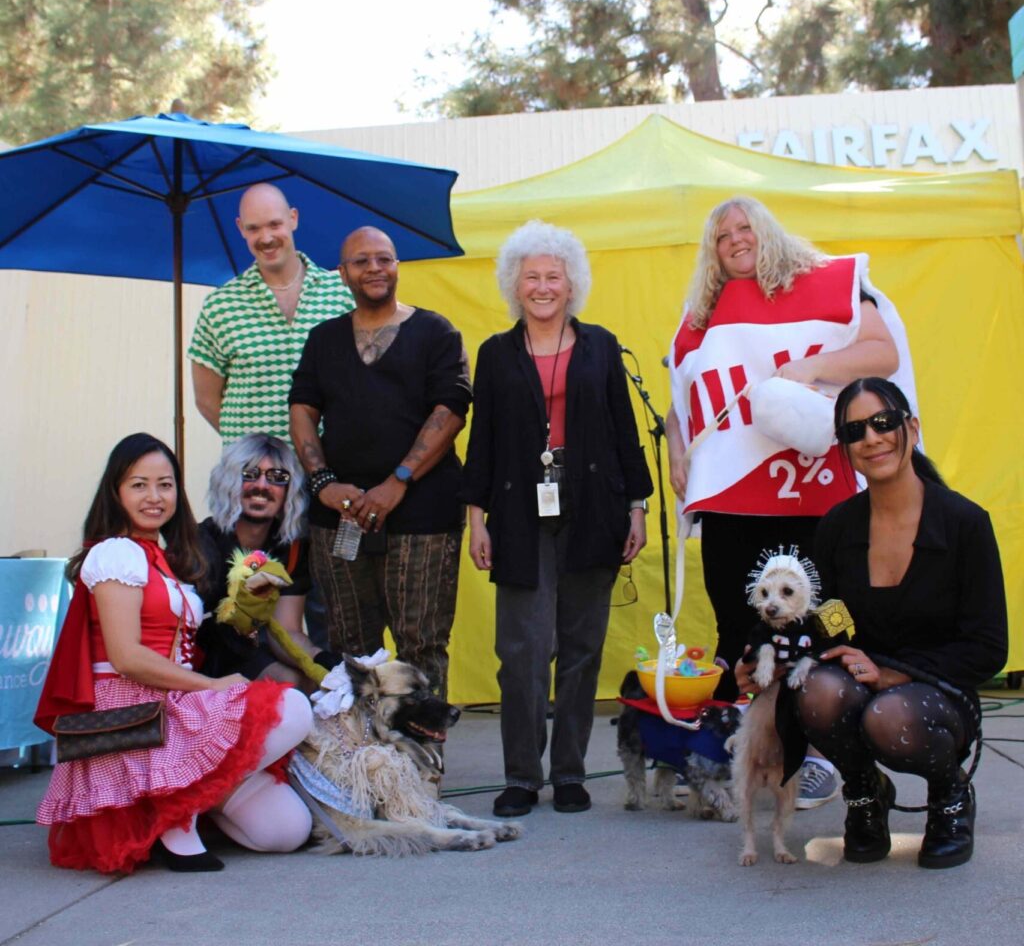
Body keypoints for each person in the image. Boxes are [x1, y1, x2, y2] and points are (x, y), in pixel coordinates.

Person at [666, 195, 901, 807]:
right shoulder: (702, 312)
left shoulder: (827, 283)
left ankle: (823, 750)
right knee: (737, 627)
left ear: (767, 232)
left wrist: (810, 366)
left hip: (815, 495)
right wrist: (676, 449)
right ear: (712, 250)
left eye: (746, 228)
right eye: (723, 235)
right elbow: (683, 395)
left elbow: (881, 353)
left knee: (823, 624)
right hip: (733, 501)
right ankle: (750, 752)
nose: (737, 241)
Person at [739, 378, 1007, 868]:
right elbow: (831, 622)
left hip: (938, 691)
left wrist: (894, 673)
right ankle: (864, 794)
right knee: (814, 688)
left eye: (883, 423)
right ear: (845, 449)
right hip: (861, 677)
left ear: (912, 428)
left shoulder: (964, 523)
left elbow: (988, 647)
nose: (872, 438)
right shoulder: (838, 527)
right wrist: (766, 657)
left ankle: (949, 797)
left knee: (891, 715)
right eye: (854, 430)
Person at [34, 433, 313, 874]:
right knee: (292, 705)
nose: (154, 497)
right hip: (138, 709)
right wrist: (212, 686)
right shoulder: (116, 554)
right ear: (115, 492)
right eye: (139, 485)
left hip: (174, 700)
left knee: (286, 830)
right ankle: (177, 812)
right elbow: (126, 657)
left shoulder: (164, 557)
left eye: (165, 484)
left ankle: (197, 800)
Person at [462, 220, 653, 818]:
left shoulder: (601, 345)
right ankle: (522, 775)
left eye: (554, 276)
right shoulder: (495, 354)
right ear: (514, 288)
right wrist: (476, 518)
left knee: (580, 648)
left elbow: (625, 432)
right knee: (521, 651)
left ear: (572, 285)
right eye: (531, 277)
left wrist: (638, 508)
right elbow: (483, 442)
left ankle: (569, 771)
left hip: (594, 508)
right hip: (520, 513)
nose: (543, 287)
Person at [289, 225, 471, 696]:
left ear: (396, 266)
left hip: (423, 518)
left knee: (422, 643)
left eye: (384, 258)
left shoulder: (436, 332)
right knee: (351, 647)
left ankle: (421, 765)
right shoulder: (323, 339)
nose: (375, 268)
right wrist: (324, 483)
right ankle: (362, 767)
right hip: (340, 519)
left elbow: (450, 411)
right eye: (362, 260)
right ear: (342, 273)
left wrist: (399, 481)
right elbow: (302, 410)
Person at [189, 182, 355, 443]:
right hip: (255, 478)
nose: (266, 238)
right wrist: (254, 451)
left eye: (274, 224)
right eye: (254, 228)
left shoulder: (343, 292)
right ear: (240, 228)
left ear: (293, 219)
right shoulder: (219, 306)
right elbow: (206, 400)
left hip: (332, 470)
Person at [194, 433, 338, 689]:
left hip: (248, 650)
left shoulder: (290, 549)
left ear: (289, 490)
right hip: (199, 658)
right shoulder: (197, 543)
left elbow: (287, 631)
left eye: (277, 478)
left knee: (312, 682)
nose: (262, 485)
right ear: (228, 481)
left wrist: (322, 660)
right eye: (249, 474)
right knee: (289, 683)